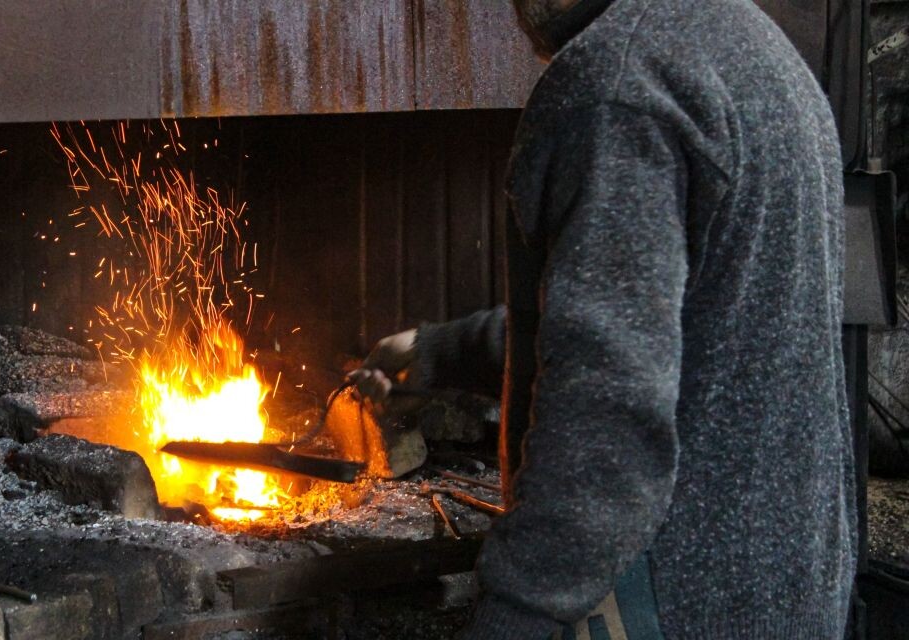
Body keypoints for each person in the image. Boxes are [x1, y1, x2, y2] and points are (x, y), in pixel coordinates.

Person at [349, 0, 856, 638]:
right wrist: (438, 349)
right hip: (788, 578)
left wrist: (517, 615)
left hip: (674, 595)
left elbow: (607, 406)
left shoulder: (616, 87)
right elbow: (669, 322)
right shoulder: (741, 39)